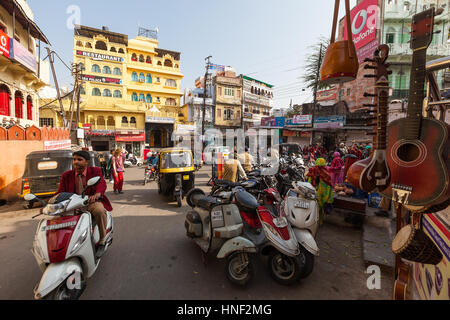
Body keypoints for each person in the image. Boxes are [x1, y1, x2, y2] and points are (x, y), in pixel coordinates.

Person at [55, 151, 112, 258]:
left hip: (90, 202)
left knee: (99, 210)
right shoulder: (66, 175)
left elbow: (101, 183)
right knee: (58, 218)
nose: (75, 162)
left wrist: (97, 193)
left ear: (87, 162)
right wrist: (50, 202)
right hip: (72, 205)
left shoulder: (95, 171)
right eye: (74, 159)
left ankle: (102, 239)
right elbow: (60, 192)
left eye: (79, 159)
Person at [306, 158, 333, 225]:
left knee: (312, 207)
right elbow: (329, 185)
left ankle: (310, 221)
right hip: (322, 195)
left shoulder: (312, 170)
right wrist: (328, 197)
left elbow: (308, 181)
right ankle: (318, 222)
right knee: (320, 209)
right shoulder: (326, 173)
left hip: (312, 192)